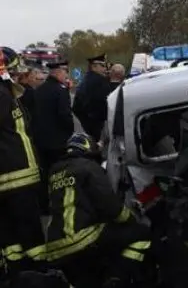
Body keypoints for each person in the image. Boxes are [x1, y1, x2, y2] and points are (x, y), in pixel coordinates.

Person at [46, 132, 153, 287]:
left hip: (56, 247)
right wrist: (130, 219)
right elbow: (110, 206)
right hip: (82, 238)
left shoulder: (54, 171)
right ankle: (116, 278)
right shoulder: (89, 167)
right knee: (142, 235)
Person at [0, 46, 46, 280]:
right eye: (14, 71)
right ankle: (38, 274)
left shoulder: (9, 93)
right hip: (17, 178)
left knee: (11, 237)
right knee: (29, 236)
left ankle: (19, 275)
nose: (18, 75)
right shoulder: (2, 94)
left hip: (16, 177)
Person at [33, 61, 74, 215]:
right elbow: (64, 115)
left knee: (44, 175)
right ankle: (60, 204)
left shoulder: (39, 90)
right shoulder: (61, 90)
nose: (66, 75)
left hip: (41, 140)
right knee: (60, 174)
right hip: (58, 141)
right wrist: (70, 131)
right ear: (58, 72)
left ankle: (44, 206)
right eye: (65, 72)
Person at [72, 53, 111, 142]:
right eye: (102, 66)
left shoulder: (86, 79)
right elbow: (105, 103)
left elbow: (76, 107)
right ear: (94, 66)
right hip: (99, 124)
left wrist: (86, 122)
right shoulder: (99, 81)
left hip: (90, 125)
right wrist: (95, 121)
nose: (105, 69)